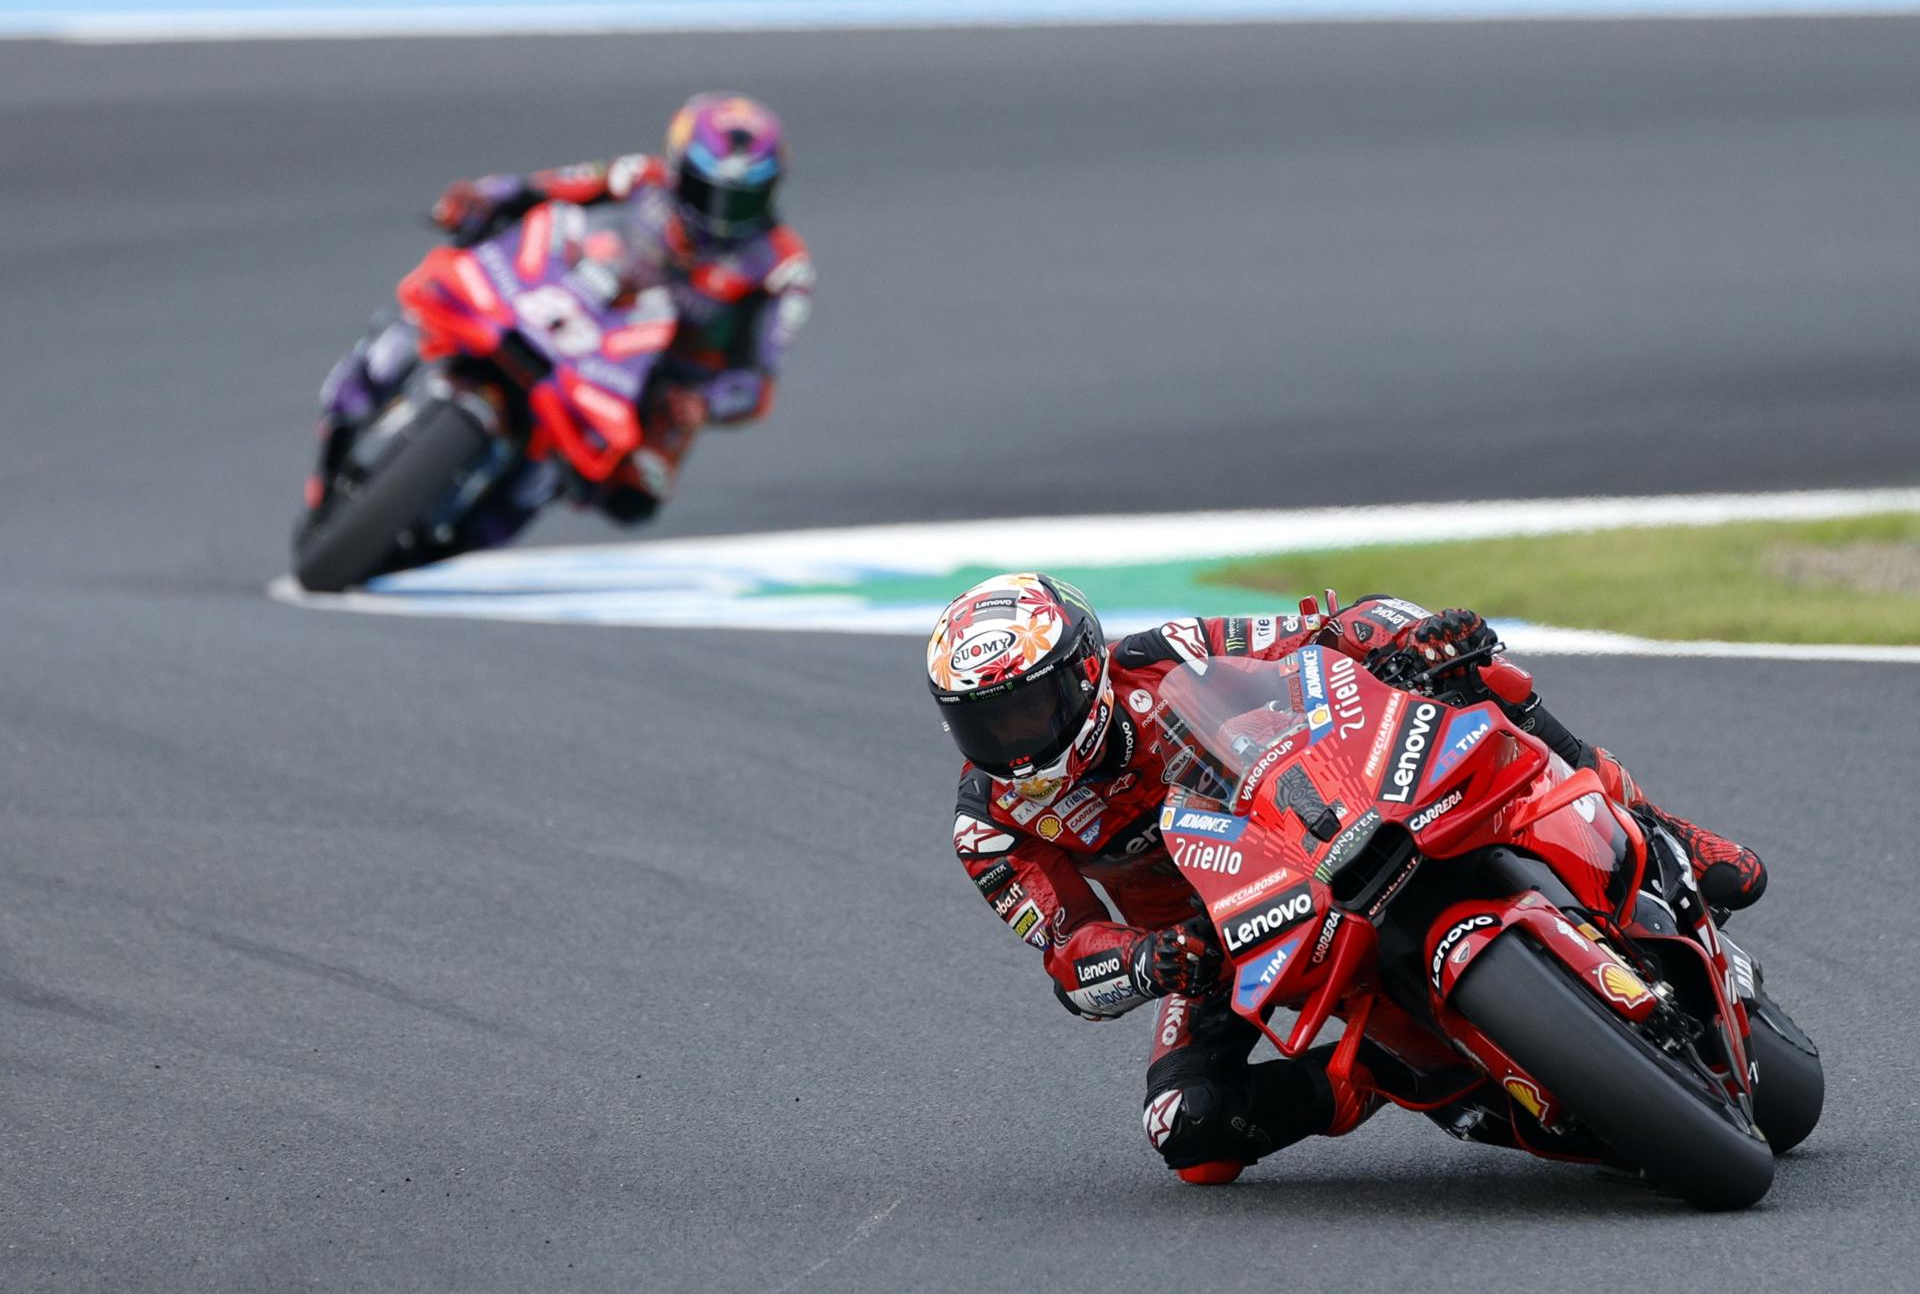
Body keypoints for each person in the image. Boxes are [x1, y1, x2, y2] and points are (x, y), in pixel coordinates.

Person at [927, 573, 1766, 1184]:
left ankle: (1654, 824)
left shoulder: (1163, 655)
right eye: (983, 724)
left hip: (1321, 804)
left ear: (1083, 673)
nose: (1013, 741)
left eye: (1024, 711)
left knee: (1471, 672)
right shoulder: (991, 825)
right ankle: (1381, 1081)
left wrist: (1405, 638)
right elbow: (1071, 954)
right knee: (1189, 1137)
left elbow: (1317, 630)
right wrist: (1152, 960)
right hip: (1220, 937)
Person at [308, 92, 813, 551]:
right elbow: (543, 189)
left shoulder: (781, 269)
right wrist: (480, 199)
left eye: (742, 200)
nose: (723, 218)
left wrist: (703, 403)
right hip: (572, 302)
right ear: (680, 171)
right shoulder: (637, 178)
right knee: (417, 312)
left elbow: (758, 379)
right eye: (710, 193)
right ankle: (337, 444)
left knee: (636, 494)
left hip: (654, 383)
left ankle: (493, 516)